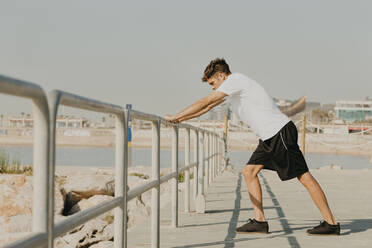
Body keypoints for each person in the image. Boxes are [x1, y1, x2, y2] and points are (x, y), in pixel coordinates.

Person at [164, 58, 340, 235]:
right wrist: (179, 119)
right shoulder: (232, 88)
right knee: (249, 172)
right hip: (269, 137)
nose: (212, 87)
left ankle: (331, 223)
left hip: (279, 133)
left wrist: (175, 116)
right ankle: (260, 221)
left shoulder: (235, 81)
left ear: (221, 75)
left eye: (212, 83)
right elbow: (207, 107)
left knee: (304, 177)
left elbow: (205, 102)